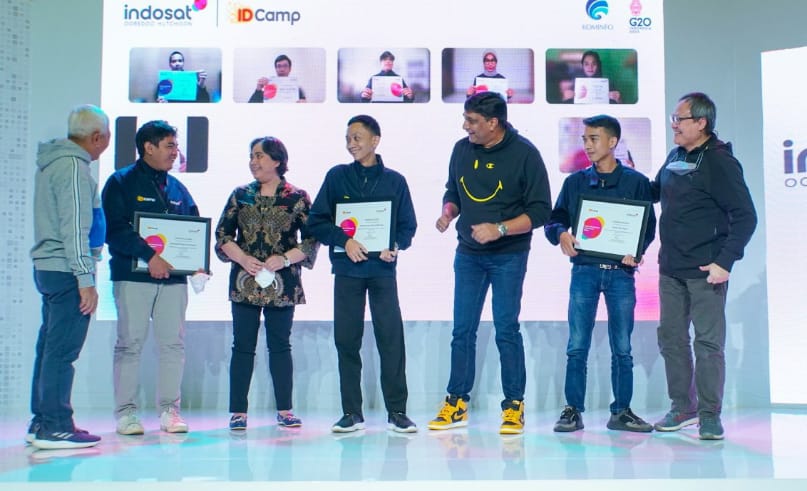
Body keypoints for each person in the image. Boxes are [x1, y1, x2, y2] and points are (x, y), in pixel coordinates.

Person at [429, 92, 552, 434]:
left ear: (493, 123)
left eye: (472, 121)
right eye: (465, 119)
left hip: (509, 255)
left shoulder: (525, 154)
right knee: (462, 329)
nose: (465, 126)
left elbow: (541, 211)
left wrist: (500, 229)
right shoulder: (461, 149)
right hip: (468, 254)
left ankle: (513, 405)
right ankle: (456, 402)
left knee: (506, 328)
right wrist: (448, 212)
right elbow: (453, 191)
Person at [651, 92, 757, 440]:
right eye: (673, 119)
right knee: (672, 340)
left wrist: (725, 262)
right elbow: (654, 191)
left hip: (705, 272)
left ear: (701, 122)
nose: (673, 125)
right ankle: (683, 407)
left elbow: (746, 216)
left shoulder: (720, 161)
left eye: (679, 119)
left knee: (708, 345)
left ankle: (710, 415)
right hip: (671, 269)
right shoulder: (675, 156)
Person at [544, 114, 656, 433]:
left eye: (594, 139)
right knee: (577, 345)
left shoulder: (636, 182)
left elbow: (648, 226)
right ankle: (572, 410)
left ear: (613, 142)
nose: (588, 145)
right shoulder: (575, 182)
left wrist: (637, 251)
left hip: (621, 274)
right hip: (585, 271)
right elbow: (554, 220)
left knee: (622, 347)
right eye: (585, 139)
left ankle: (621, 411)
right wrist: (561, 235)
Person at [308, 114, 418, 433]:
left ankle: (397, 411)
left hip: (382, 270)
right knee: (346, 340)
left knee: (391, 339)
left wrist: (394, 245)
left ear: (375, 140)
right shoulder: (337, 176)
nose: (351, 144)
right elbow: (316, 221)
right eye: (347, 138)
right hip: (347, 270)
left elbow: (408, 226)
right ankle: (351, 412)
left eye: (357, 137)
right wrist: (345, 240)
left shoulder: (395, 181)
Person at [102, 120, 201, 435]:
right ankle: (126, 414)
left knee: (173, 345)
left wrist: (197, 264)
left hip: (172, 280)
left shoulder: (178, 188)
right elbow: (114, 230)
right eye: (170, 146)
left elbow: (193, 228)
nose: (175, 152)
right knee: (129, 344)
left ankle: (170, 411)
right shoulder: (120, 182)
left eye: (176, 146)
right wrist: (149, 256)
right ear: (148, 147)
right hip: (132, 277)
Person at [215, 136, 319, 431]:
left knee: (280, 346)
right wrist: (242, 258)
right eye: (251, 155)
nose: (253, 161)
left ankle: (285, 410)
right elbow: (223, 236)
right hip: (244, 282)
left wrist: (284, 259)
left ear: (277, 160)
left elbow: (312, 239)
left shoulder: (296, 197)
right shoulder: (240, 195)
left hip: (282, 283)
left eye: (259, 155)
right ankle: (238, 412)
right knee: (242, 346)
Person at [28, 105, 111, 450]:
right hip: (65, 271)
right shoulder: (74, 167)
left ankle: (42, 421)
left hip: (49, 269)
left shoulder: (52, 163)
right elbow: (75, 228)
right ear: (97, 137)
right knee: (62, 351)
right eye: (107, 135)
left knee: (49, 348)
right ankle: (56, 425)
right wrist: (85, 278)